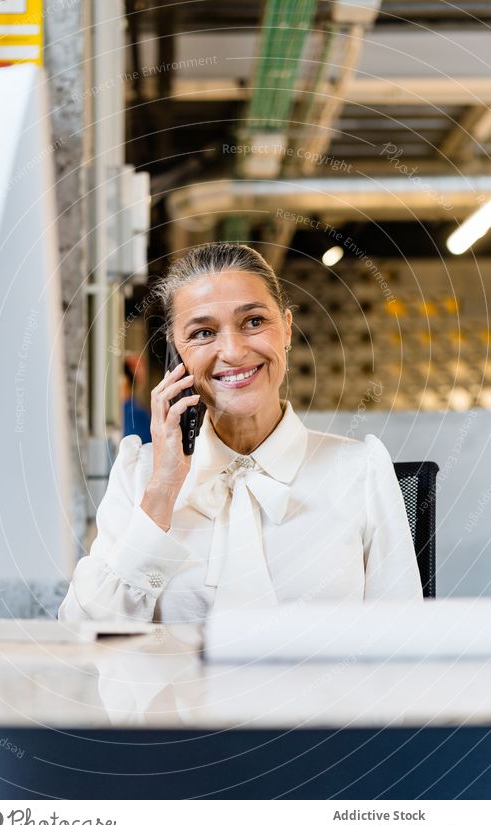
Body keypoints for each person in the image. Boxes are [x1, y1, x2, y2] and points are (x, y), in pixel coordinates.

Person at [58, 242, 423, 624]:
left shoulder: (359, 470)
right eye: (202, 333)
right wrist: (163, 490)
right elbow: (84, 636)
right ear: (176, 356)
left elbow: (404, 646)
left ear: (286, 329)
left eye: (253, 322)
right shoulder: (140, 473)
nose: (232, 351)